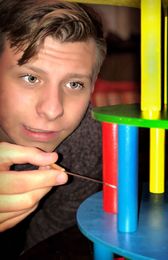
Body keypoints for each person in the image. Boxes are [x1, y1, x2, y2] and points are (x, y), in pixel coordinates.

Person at [0, 0, 106, 257]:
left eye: (74, 85)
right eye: (31, 78)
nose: (52, 110)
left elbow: (47, 245)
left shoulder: (83, 140)